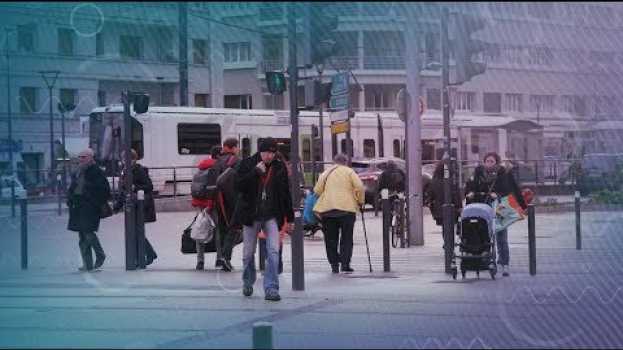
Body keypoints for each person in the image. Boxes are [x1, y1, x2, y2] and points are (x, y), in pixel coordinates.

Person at [235, 137, 294, 301]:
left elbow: (285, 193)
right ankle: (248, 281)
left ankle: (271, 288)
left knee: (274, 252)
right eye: (267, 152)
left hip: (271, 215)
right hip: (251, 215)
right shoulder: (247, 163)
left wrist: (289, 218)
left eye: (273, 152)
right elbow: (238, 186)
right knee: (248, 253)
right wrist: (255, 173)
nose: (269, 156)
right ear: (260, 151)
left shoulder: (279, 166)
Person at [465, 152, 527, 277]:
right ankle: (488, 260)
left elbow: (512, 189)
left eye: (491, 161)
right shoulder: (478, 173)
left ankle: (505, 263)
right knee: (484, 236)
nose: (489, 163)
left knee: (501, 237)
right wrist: (470, 193)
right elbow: (470, 186)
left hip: (500, 208)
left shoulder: (503, 173)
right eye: (487, 161)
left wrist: (522, 205)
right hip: (483, 208)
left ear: (496, 162)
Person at [313, 153, 365, 274]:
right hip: (347, 210)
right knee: (347, 238)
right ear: (346, 162)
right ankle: (345, 264)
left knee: (330, 239)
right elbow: (360, 187)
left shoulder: (326, 173)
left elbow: (317, 191)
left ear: (334, 161)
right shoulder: (349, 172)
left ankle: (334, 265)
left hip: (328, 210)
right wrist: (360, 201)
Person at [67, 148, 111, 272]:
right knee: (82, 235)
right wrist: (69, 199)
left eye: (84, 157)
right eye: (80, 157)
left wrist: (93, 198)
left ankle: (100, 254)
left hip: (90, 206)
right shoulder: (78, 171)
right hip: (78, 206)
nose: (81, 159)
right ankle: (87, 264)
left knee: (88, 232)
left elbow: (105, 190)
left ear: (91, 157)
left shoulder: (96, 171)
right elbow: (73, 187)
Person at [113, 149, 158, 267]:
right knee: (135, 232)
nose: (123, 161)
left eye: (126, 159)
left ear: (133, 159)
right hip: (133, 206)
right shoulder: (124, 171)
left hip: (140, 207)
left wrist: (134, 187)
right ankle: (145, 255)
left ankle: (146, 255)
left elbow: (149, 186)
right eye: (123, 159)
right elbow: (123, 191)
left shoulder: (139, 170)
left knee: (137, 232)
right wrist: (117, 207)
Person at [191, 145, 222, 271]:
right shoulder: (216, 167)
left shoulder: (202, 167)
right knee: (219, 230)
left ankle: (200, 261)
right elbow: (214, 188)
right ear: (219, 155)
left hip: (200, 203)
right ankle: (219, 259)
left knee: (201, 228)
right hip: (213, 203)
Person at [213, 138, 241, 272]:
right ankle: (225, 257)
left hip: (218, 201)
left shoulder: (217, 161)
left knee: (223, 230)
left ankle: (221, 258)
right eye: (237, 147)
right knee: (233, 228)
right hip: (231, 200)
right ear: (234, 147)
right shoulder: (235, 160)